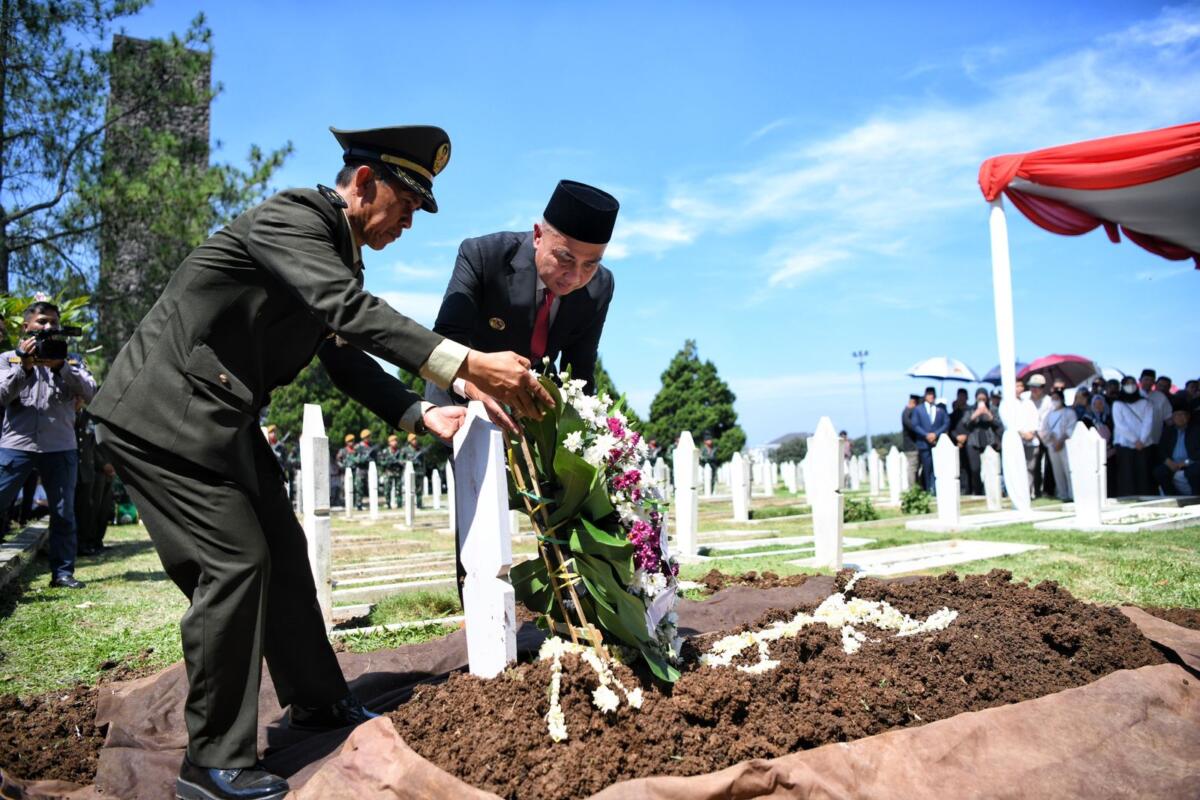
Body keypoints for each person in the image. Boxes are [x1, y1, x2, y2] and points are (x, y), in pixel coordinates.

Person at [89, 124, 553, 800]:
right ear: (364, 184)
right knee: (234, 564)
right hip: (162, 417)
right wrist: (467, 361)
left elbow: (340, 352)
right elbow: (346, 311)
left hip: (216, 417)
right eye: (405, 205)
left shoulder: (333, 253)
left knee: (282, 544)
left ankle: (317, 701)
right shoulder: (293, 220)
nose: (408, 225)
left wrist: (416, 411)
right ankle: (212, 763)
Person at [429, 179, 619, 430]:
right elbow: (445, 340)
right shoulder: (483, 255)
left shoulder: (599, 286)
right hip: (460, 394)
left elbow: (579, 371)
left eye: (590, 264)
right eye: (565, 258)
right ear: (538, 236)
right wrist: (476, 387)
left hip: (529, 404)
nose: (575, 277)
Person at [0, 301, 96, 588]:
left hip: (60, 446)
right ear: (26, 326)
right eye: (42, 321)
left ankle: (63, 573)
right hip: (16, 444)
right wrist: (24, 368)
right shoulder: (8, 358)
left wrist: (62, 367)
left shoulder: (73, 359)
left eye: (53, 322)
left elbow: (91, 392)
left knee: (64, 512)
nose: (48, 327)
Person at [1112, 377, 1154, 496]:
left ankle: (1145, 496)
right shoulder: (1117, 403)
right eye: (1127, 384)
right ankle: (1127, 497)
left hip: (1144, 444)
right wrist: (1135, 440)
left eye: (1132, 383)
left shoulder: (1146, 402)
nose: (1130, 386)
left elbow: (1148, 422)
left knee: (1143, 473)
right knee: (1127, 473)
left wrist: (1142, 440)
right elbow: (1120, 424)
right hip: (1124, 443)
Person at [1153, 401, 1199, 495]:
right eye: (1176, 415)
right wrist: (1168, 461)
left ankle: (1196, 499)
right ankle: (1172, 497)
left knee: (1194, 471)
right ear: (1173, 418)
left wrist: (1186, 462)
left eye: (1182, 414)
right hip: (1173, 463)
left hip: (1191, 462)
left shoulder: (1196, 430)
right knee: (1159, 472)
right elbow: (1161, 449)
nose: (1180, 417)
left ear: (1188, 416)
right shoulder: (1168, 431)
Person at [963, 387, 1002, 495]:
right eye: (979, 399)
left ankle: (992, 490)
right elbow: (965, 424)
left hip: (989, 441)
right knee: (975, 469)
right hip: (974, 441)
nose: (981, 401)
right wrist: (975, 414)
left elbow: (998, 424)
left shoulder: (993, 409)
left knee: (991, 468)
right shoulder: (970, 409)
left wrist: (988, 414)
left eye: (983, 399)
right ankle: (978, 490)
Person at [910, 387, 948, 491]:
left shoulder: (940, 409)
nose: (931, 396)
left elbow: (946, 423)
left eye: (932, 394)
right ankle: (928, 489)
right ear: (925, 396)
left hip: (937, 442)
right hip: (924, 443)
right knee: (927, 468)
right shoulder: (918, 409)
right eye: (929, 394)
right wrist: (926, 435)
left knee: (938, 467)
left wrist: (935, 434)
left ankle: (937, 488)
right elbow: (915, 425)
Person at [1040, 389, 1074, 501]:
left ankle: (1072, 493)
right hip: (1053, 445)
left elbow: (1071, 428)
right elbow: (1044, 429)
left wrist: (1062, 440)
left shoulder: (1069, 412)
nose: (1054, 401)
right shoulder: (1048, 415)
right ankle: (1062, 493)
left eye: (1057, 398)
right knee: (1057, 471)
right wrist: (1053, 439)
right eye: (1052, 399)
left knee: (1068, 469)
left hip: (1066, 445)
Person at [378, 434, 404, 509]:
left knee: (399, 489)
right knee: (387, 489)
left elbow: (404, 461)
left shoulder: (400, 451)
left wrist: (398, 462)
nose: (395, 442)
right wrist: (387, 462)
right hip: (388, 473)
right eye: (393, 441)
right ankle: (387, 504)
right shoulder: (385, 451)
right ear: (389, 443)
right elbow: (381, 462)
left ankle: (399, 504)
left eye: (396, 441)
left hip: (398, 473)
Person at [900, 394, 920, 489]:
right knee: (912, 468)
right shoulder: (907, 413)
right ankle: (912, 488)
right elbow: (913, 427)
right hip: (911, 446)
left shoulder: (908, 412)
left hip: (913, 445)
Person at [354, 428, 375, 510]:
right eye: (368, 437)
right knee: (359, 488)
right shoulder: (358, 447)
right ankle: (358, 504)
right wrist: (361, 459)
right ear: (364, 437)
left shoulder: (371, 446)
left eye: (369, 437)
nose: (369, 438)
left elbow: (374, 457)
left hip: (369, 469)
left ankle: (371, 504)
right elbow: (354, 458)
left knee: (370, 487)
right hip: (360, 470)